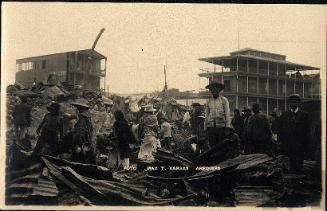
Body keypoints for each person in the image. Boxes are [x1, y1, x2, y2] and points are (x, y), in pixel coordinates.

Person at [278, 94, 310, 173]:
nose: (293, 104)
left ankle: (298, 176)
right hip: (288, 143)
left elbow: (307, 131)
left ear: (299, 103)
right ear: (289, 103)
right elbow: (280, 129)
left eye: (295, 102)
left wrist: (306, 144)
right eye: (291, 102)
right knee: (289, 162)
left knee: (299, 162)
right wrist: (281, 141)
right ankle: (291, 177)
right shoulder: (285, 115)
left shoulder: (304, 115)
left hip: (300, 144)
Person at [204, 82, 231, 148]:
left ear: (219, 91)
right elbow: (207, 114)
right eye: (213, 90)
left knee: (221, 145)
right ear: (211, 91)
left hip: (221, 127)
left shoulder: (224, 100)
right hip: (211, 127)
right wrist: (205, 127)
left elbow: (227, 113)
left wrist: (227, 126)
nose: (214, 92)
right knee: (212, 145)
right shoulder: (208, 101)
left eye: (216, 90)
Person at [70, 98, 94, 164]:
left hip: (82, 140)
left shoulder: (82, 118)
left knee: (79, 157)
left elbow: (80, 132)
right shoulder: (87, 116)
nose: (76, 108)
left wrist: (77, 143)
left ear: (81, 108)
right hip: (87, 139)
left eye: (78, 107)